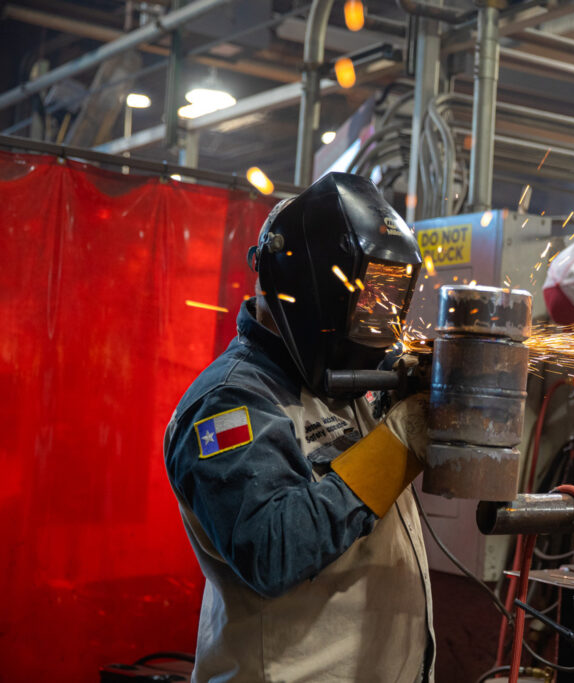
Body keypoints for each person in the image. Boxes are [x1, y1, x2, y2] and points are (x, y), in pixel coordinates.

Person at [164, 173, 435, 682]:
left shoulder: (341, 386)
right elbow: (272, 549)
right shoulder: (229, 404)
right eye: (358, 297)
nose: (371, 318)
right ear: (303, 291)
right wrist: (398, 446)